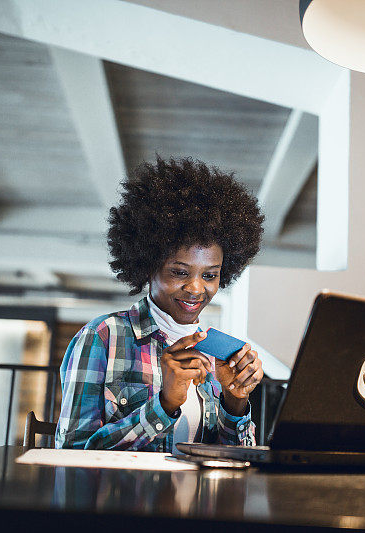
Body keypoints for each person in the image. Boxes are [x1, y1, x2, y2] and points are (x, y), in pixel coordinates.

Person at [55, 157, 265, 452]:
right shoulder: (103, 337)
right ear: (148, 264)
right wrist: (165, 404)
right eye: (179, 272)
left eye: (210, 275)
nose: (195, 288)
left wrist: (235, 401)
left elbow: (236, 461)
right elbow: (71, 453)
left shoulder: (217, 355)